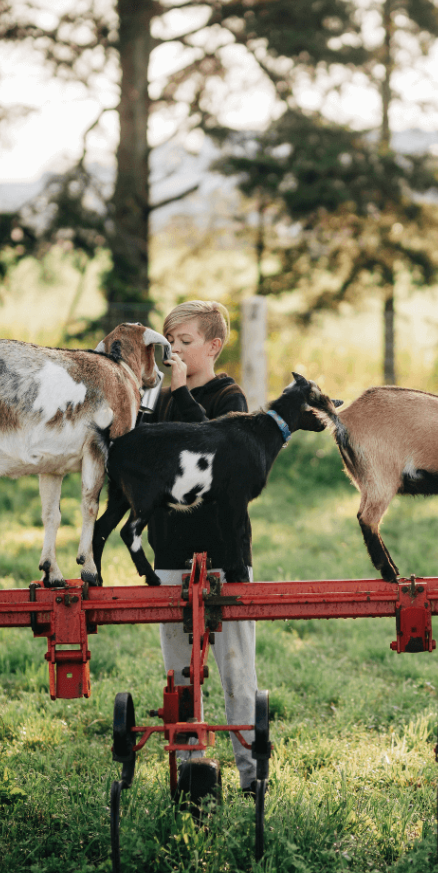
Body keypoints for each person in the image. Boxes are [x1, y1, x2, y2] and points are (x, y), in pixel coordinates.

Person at [145, 300, 259, 795]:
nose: (174, 352)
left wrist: (176, 392)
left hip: (223, 552)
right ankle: (191, 765)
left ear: (213, 346)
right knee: (179, 665)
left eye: (184, 343)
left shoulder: (229, 397)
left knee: (236, 664)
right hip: (170, 549)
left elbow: (207, 446)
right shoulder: (159, 399)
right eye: (168, 344)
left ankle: (252, 772)